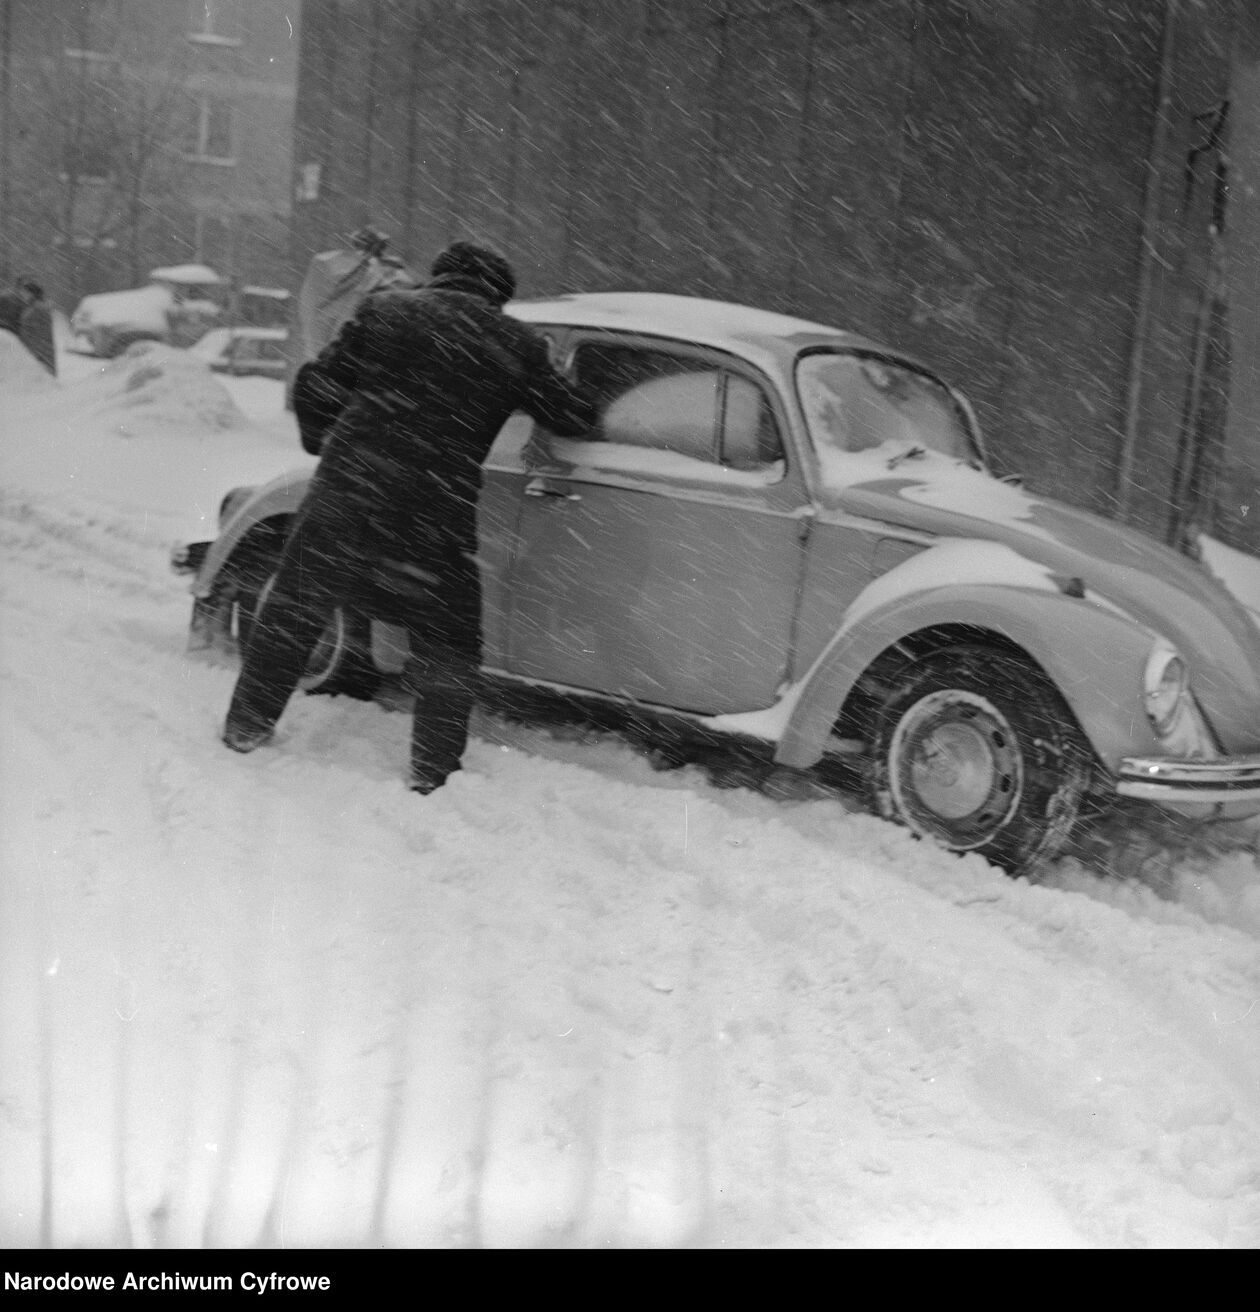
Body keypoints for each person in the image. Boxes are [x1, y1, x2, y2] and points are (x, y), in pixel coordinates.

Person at [221, 240, 596, 793]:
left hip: (346, 499)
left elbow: (317, 386)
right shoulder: (516, 344)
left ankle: (245, 729)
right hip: (432, 520)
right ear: (499, 295)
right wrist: (543, 377)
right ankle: (433, 776)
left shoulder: (386, 311)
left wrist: (325, 440)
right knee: (449, 647)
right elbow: (574, 417)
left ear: (440, 277)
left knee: (293, 614)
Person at [14, 276, 56, 375]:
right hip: (38, 355)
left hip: (39, 356)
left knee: (42, 384)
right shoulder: (34, 308)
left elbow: (39, 334)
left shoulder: (37, 309)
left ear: (32, 294)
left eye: (25, 292)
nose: (22, 295)